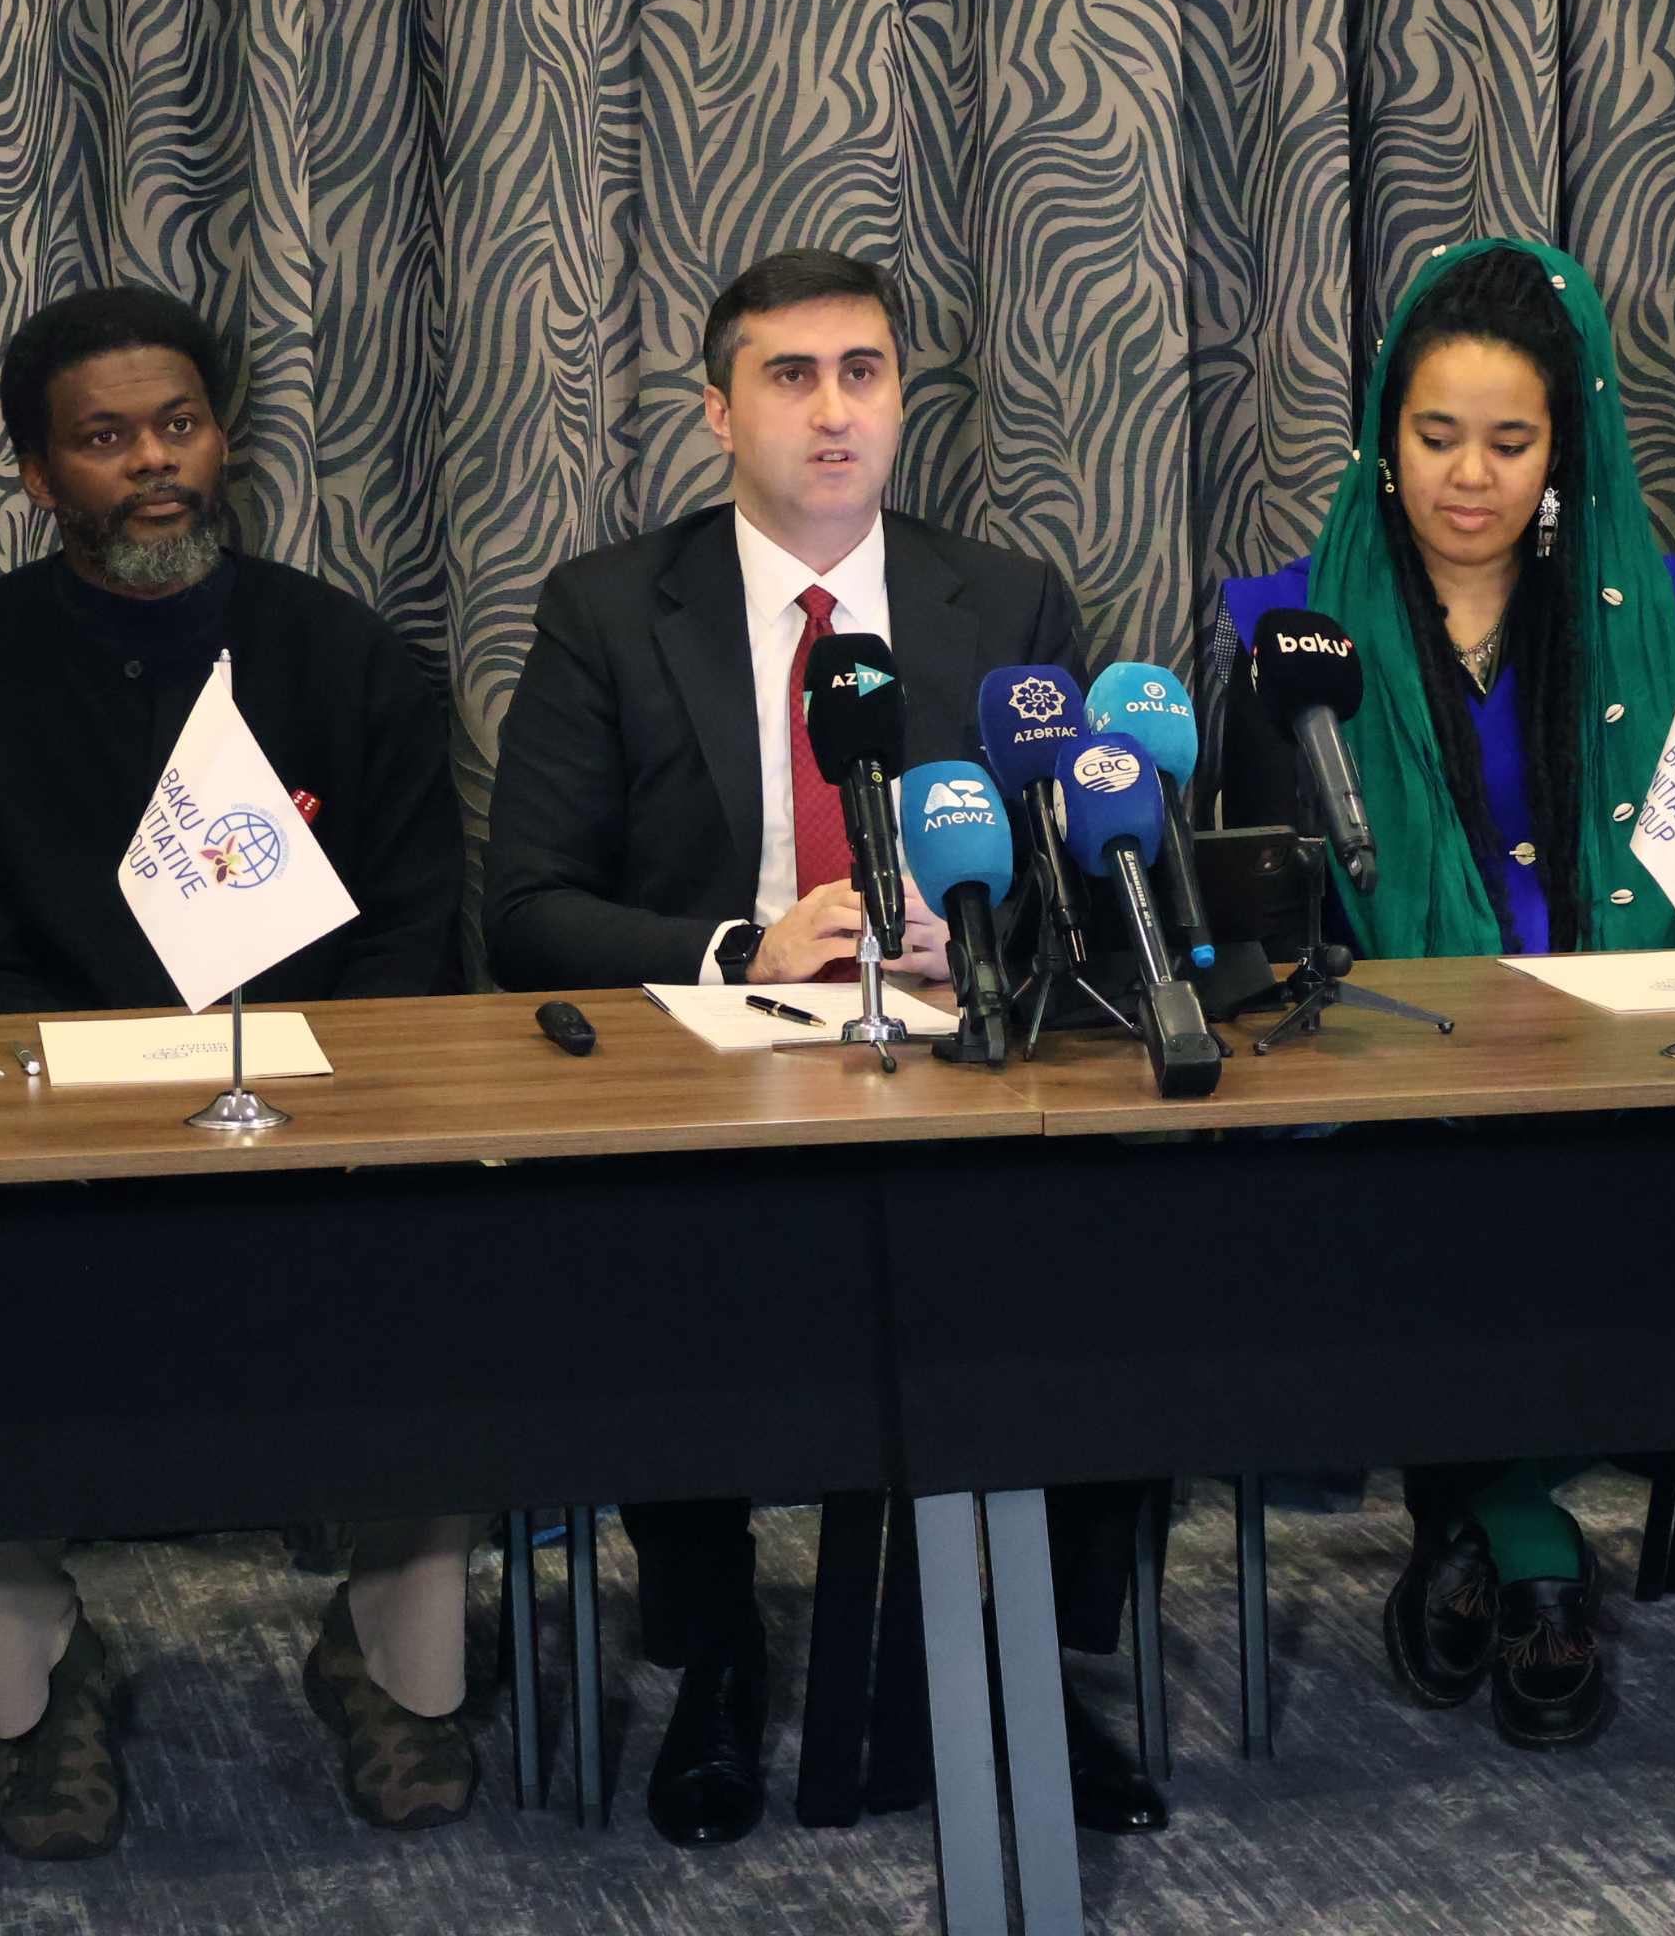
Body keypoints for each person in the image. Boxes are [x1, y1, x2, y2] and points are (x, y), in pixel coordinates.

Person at [483, 247, 1165, 1844]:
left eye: (864, 372)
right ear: (719, 411)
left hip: (958, 1070)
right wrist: (745, 949)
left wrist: (982, 926)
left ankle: (1027, 1656)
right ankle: (716, 1652)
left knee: (1119, 1239)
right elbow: (524, 908)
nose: (834, 410)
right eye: (790, 377)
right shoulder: (608, 610)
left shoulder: (1004, 602)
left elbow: (1092, 873)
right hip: (712, 1084)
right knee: (659, 1260)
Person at [0, 285, 476, 1856]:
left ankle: (398, 1668)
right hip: (55, 1139)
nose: (153, 462)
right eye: (105, 438)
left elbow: (417, 937)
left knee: (456, 1255)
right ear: (34, 474)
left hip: (332, 1126)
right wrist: (116, 1104)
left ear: (222, 441)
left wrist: (319, 1097)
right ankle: (32, 1691)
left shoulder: (349, 659)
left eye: (180, 426)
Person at [1222, 236, 1675, 1749]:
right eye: (1436, 437)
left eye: (1509, 442)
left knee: (1595, 1174)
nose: (1470, 479)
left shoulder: (1653, 617)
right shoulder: (1288, 628)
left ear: (1565, 448)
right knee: (1452, 1180)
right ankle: (1535, 1545)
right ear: (1384, 436)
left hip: (1610, 1046)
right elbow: (1266, 915)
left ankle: (1472, 1532)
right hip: (1387, 1064)